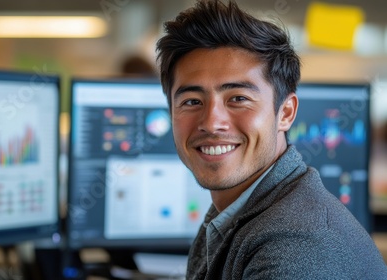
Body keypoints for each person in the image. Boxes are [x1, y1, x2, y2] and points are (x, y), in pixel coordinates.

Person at [155, 0, 387, 279]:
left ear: (286, 113)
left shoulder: (298, 249)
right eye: (192, 101)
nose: (211, 123)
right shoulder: (234, 214)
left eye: (238, 99)